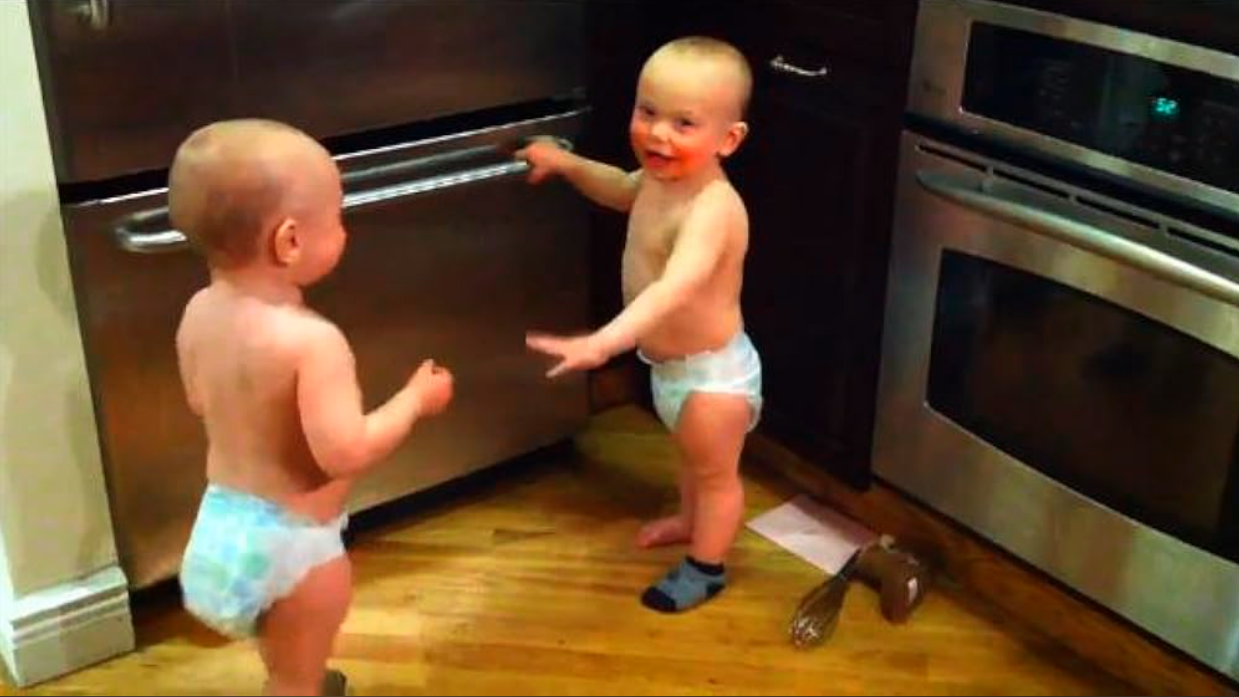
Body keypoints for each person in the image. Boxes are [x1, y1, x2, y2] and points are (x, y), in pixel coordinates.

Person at [171, 119, 454, 695]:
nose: (344, 230)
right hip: (294, 547)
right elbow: (345, 452)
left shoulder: (198, 310)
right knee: (296, 677)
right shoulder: (311, 341)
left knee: (285, 652)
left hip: (224, 525)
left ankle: (292, 672)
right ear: (290, 241)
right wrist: (413, 402)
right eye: (338, 217)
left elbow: (199, 398)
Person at [518, 36, 761, 613]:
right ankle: (686, 519)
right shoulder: (661, 179)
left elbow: (675, 289)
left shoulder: (713, 210)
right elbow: (622, 189)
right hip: (674, 369)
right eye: (647, 111)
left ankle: (708, 568)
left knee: (716, 474)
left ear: (729, 139)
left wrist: (603, 342)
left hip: (711, 379)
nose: (657, 134)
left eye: (683, 123)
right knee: (689, 461)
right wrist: (567, 163)